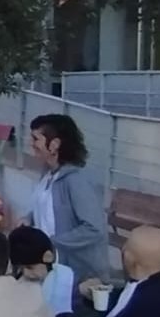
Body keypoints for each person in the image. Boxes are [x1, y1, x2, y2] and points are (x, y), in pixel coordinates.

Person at [21, 113, 110, 283]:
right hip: (52, 267)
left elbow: (93, 229)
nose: (31, 144)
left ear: (54, 144)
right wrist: (28, 220)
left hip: (78, 276)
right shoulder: (48, 174)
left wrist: (51, 243)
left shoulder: (77, 180)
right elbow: (46, 210)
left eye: (35, 139)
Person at [8, 226, 76, 317]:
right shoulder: (17, 280)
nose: (26, 274)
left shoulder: (68, 281)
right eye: (21, 268)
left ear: (48, 257)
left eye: (30, 267)